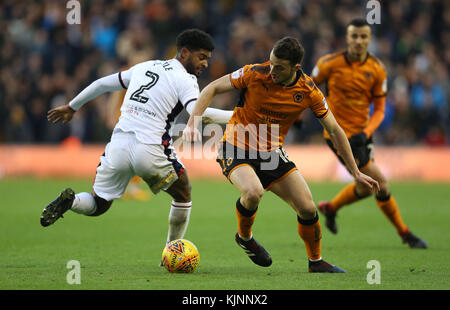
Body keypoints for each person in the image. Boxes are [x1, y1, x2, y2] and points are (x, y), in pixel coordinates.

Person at [183, 36, 380, 273]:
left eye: (279, 67)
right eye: (271, 63)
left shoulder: (308, 91)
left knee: (308, 209)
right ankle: (245, 238)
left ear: (295, 68)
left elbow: (335, 129)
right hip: (235, 147)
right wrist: (192, 123)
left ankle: (315, 262)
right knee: (253, 192)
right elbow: (211, 88)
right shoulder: (255, 73)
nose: (272, 70)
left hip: (271, 153)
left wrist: (355, 171)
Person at [41, 29, 233, 251]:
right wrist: (239, 116)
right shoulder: (186, 79)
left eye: (208, 59)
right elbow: (199, 112)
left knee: (99, 204)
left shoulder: (145, 67)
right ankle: (171, 251)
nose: (206, 64)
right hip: (150, 147)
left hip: (119, 146)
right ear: (184, 53)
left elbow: (102, 84)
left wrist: (71, 106)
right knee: (183, 193)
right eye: (202, 57)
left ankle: (71, 201)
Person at [311, 19, 427, 248]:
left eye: (363, 36)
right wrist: (295, 116)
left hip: (362, 135)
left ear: (369, 39)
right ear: (347, 38)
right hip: (338, 135)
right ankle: (405, 234)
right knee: (381, 184)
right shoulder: (328, 64)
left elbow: (381, 109)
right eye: (354, 36)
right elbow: (306, 88)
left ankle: (330, 208)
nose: (358, 41)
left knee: (366, 187)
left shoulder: (376, 69)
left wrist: (366, 133)